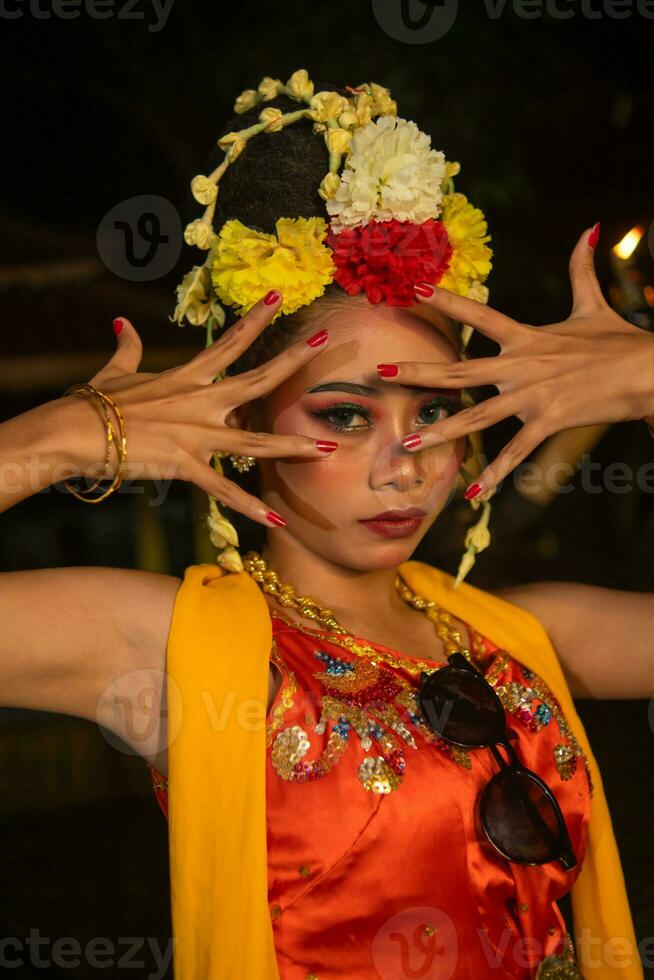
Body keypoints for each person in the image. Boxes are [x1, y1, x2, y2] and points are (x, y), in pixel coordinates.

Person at [1, 70, 653, 980]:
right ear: (246, 425)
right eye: (345, 416)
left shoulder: (526, 640)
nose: (407, 464)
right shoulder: (176, 648)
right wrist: (60, 438)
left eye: (433, 414)